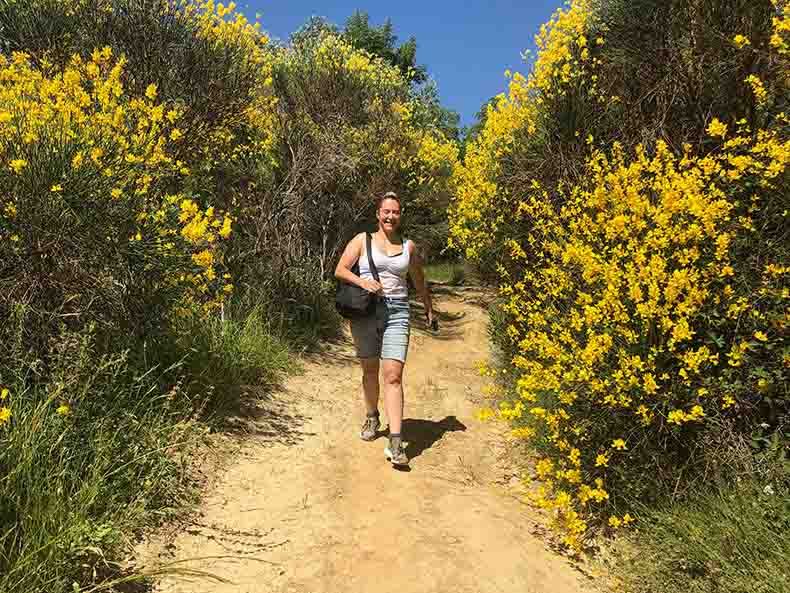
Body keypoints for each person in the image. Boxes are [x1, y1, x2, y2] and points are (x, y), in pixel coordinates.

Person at [334, 191, 434, 466]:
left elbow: (418, 279)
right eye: (386, 212)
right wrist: (363, 282)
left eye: (396, 212)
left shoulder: (408, 246)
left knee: (393, 375)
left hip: (398, 311)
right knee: (369, 369)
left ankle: (396, 441)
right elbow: (340, 270)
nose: (391, 216)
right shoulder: (362, 240)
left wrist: (427, 307)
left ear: (400, 216)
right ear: (378, 214)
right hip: (366, 310)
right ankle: (372, 415)